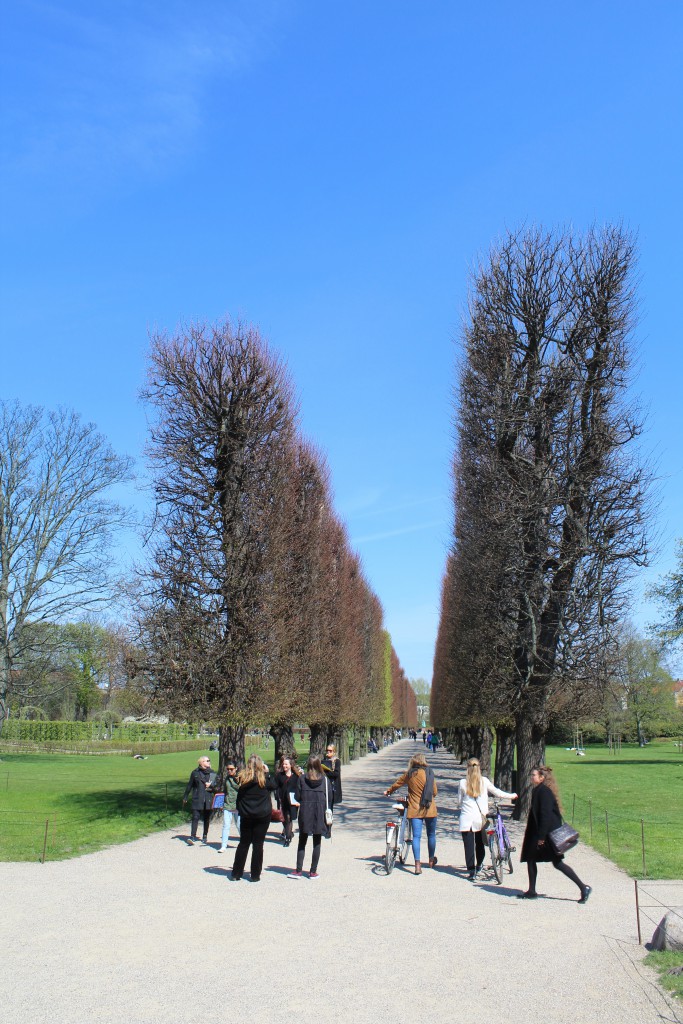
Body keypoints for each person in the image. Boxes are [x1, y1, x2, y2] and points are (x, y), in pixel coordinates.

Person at [519, 765, 592, 903]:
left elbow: (546, 816)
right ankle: (532, 890)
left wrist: (541, 837)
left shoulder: (544, 792)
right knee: (531, 859)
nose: (531, 777)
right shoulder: (538, 790)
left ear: (541, 777)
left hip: (546, 835)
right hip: (538, 833)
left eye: (533, 775)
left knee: (558, 863)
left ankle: (583, 887)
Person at [457, 758, 517, 880]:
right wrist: (512, 795)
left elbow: (459, 802)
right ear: (479, 768)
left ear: (467, 768)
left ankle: (471, 870)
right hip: (481, 818)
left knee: (468, 845)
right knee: (480, 843)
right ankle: (479, 864)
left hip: (467, 818)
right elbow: (498, 793)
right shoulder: (484, 781)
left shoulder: (463, 783)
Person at [383, 751, 438, 874]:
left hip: (415, 809)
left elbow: (398, 783)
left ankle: (417, 865)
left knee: (416, 837)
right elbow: (434, 792)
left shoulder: (410, 774)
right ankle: (430, 860)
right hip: (430, 808)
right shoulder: (429, 773)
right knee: (431, 835)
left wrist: (388, 791)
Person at [230, 755, 277, 882]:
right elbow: (274, 785)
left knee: (244, 843)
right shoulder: (264, 779)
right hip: (262, 814)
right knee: (258, 844)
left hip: (247, 814)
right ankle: (255, 874)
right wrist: (267, 772)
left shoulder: (243, 779)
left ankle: (236, 873)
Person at [287, 755, 330, 879]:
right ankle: (313, 871)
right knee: (317, 842)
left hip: (306, 811)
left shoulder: (302, 779)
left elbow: (297, 796)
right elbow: (329, 798)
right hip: (319, 811)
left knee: (302, 841)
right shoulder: (325, 780)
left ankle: (298, 870)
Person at [182, 755, 218, 843]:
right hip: (197, 798)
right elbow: (189, 785)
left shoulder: (212, 773)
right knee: (195, 817)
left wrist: (211, 785)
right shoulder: (195, 773)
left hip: (208, 798)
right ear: (201, 763)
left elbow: (217, 788)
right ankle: (192, 836)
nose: (209, 762)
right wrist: (185, 796)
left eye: (209, 760)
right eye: (207, 760)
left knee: (206, 818)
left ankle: (205, 835)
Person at [274, 754, 302, 846]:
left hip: (292, 802)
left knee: (289, 819)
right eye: (283, 764)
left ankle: (288, 837)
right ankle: (288, 834)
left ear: (291, 765)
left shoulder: (296, 777)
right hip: (282, 801)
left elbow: (299, 789)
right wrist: (277, 796)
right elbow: (275, 787)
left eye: (286, 764)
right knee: (284, 819)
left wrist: (299, 801)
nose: (284, 766)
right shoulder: (279, 776)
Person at [217, 760, 240, 854]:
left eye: (231, 769)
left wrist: (236, 780)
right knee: (226, 825)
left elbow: (241, 789)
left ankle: (244, 842)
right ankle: (223, 845)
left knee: (239, 826)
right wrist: (221, 803)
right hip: (228, 804)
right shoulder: (226, 778)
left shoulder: (240, 778)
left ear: (236, 769)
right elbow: (225, 791)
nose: (229, 771)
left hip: (238, 805)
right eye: (228, 769)